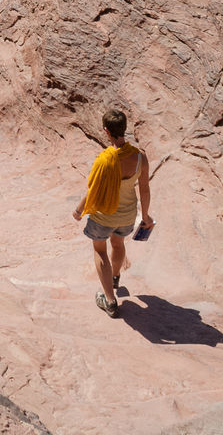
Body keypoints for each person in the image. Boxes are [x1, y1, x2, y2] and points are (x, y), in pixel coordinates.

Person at [72, 108, 152, 317]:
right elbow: (144, 188)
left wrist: (79, 210)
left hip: (104, 216)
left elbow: (94, 190)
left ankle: (109, 300)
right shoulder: (139, 157)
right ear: (125, 129)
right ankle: (115, 276)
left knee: (100, 251)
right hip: (127, 214)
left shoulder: (104, 160)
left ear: (106, 131)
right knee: (118, 244)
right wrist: (145, 216)